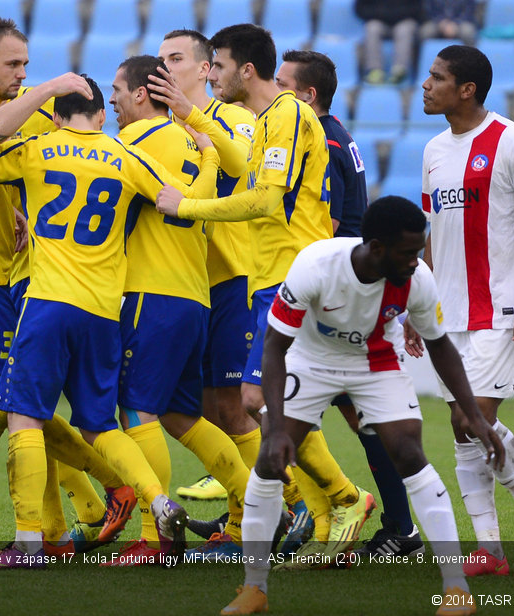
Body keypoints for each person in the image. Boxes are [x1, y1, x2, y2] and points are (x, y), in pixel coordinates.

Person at [0, 75, 222, 567]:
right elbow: (183, 206)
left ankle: (29, 545)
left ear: (56, 116)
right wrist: (208, 154)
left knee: (24, 416)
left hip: (48, 304)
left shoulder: (37, 148)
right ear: (101, 116)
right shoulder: (124, 154)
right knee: (101, 425)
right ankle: (159, 501)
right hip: (104, 311)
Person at [221, 196, 506, 616]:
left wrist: (476, 416)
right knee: (268, 457)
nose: (416, 260)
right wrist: (278, 427)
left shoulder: (417, 279)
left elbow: (440, 346)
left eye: (418, 250)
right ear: (376, 248)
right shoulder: (316, 265)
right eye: (408, 252)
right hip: (311, 359)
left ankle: (456, 590)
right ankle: (255, 589)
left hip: (376, 362)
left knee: (409, 452)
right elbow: (275, 348)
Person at [155, 23, 374, 558]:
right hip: (270, 277)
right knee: (277, 400)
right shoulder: (270, 119)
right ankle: (320, 517)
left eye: (220, 67)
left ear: (245, 70)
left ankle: (336, 500)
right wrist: (193, 115)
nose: (214, 75)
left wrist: (187, 208)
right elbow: (244, 169)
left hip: (292, 276)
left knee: (257, 399)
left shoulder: (289, 114)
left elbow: (265, 201)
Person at [98, 54, 251, 564]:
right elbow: (201, 197)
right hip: (195, 297)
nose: (113, 100)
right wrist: (209, 157)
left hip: (151, 294)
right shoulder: (190, 139)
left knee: (136, 409)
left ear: (142, 93)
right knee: (184, 414)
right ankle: (255, 511)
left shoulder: (133, 144)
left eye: (117, 90)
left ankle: (152, 536)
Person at [274, 49, 424, 563]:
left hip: (343, 294)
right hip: (350, 290)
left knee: (328, 410)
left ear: (307, 95)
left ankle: (385, 522)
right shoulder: (334, 132)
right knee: (338, 414)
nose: (273, 93)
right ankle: (367, 519)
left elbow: (331, 224)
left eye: (282, 84)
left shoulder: (322, 139)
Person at [413, 44, 514, 576]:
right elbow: (434, 233)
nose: (425, 85)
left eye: (437, 78)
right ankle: (489, 546)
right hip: (449, 315)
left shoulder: (513, 141)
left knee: (474, 420)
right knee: (459, 426)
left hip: (501, 307)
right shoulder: (431, 151)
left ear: (466, 89)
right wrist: (418, 305)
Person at [153, 28, 257, 506]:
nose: (165, 67)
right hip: (192, 285)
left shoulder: (231, 115)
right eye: (160, 60)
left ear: (203, 69)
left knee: (235, 408)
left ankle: (292, 504)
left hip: (236, 278)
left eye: (175, 58)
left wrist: (191, 116)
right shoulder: (162, 130)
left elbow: (241, 166)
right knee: (203, 409)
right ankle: (246, 516)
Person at [355, 0, 423, 84]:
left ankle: (399, 70)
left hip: (404, 20)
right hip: (378, 20)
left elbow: (418, 8)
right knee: (371, 28)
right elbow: (360, 8)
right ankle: (374, 70)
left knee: (404, 30)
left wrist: (397, 14)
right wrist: (380, 14)